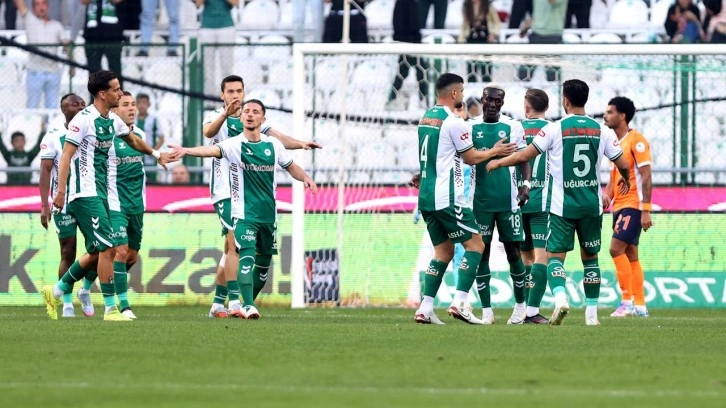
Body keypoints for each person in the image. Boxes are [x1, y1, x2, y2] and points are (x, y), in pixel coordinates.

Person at [487, 79, 631, 326]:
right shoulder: (602, 131)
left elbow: (524, 156)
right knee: (591, 258)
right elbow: (623, 164)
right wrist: (626, 179)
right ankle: (592, 316)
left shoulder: (555, 129)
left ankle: (561, 299)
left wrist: (498, 161)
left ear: (565, 100)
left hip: (561, 206)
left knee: (554, 257)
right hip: (591, 205)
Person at [41, 70, 175, 321]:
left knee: (101, 249)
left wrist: (157, 155)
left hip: (101, 192)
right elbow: (66, 156)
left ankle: (56, 290)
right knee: (109, 248)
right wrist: (60, 192)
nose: (120, 93)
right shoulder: (84, 120)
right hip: (84, 193)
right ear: (102, 94)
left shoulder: (112, 120)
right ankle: (111, 309)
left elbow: (133, 140)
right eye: (116, 90)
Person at [169, 99, 319, 319]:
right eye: (246, 111)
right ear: (241, 118)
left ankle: (245, 303)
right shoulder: (234, 144)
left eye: (255, 112)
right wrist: (186, 151)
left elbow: (291, 166)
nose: (250, 114)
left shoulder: (273, 145)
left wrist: (305, 178)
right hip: (243, 214)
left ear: (263, 119)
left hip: (268, 215)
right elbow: (210, 150)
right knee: (245, 255)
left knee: (264, 265)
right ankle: (247, 305)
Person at [412, 73, 516, 325]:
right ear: (455, 93)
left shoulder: (426, 118)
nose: (462, 94)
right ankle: (460, 303)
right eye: (462, 90)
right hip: (448, 197)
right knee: (476, 245)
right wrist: (495, 151)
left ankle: (425, 308)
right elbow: (470, 158)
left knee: (443, 251)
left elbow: (435, 154)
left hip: (426, 197)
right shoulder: (453, 122)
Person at [469, 84, 530, 325]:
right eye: (490, 100)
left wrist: (525, 185)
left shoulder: (513, 127)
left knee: (514, 252)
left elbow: (524, 158)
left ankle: (521, 306)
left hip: (509, 202)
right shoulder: (470, 127)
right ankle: (486, 310)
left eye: (498, 101)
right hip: (479, 203)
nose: (493, 104)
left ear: (503, 103)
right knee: (481, 253)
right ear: (482, 100)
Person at [38, 93, 91, 318]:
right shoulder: (53, 136)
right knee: (68, 251)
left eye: (82, 104)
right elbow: (45, 171)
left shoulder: (92, 131)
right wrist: (44, 205)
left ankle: (85, 290)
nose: (79, 107)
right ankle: (67, 302)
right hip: (64, 202)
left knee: (98, 249)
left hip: (89, 198)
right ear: (63, 109)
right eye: (74, 104)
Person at [602, 96, 653, 318]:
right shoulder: (615, 143)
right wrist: (607, 197)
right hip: (620, 206)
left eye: (610, 112)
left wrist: (646, 209)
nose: (605, 115)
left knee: (615, 249)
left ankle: (626, 301)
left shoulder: (636, 140)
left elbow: (646, 175)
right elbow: (615, 177)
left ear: (622, 116)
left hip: (633, 205)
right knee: (631, 253)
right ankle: (640, 305)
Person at [107, 91, 149, 319]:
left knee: (131, 257)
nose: (132, 108)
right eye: (125, 105)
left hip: (137, 205)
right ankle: (123, 305)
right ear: (114, 110)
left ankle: (96, 279)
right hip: (115, 204)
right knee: (120, 252)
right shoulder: (108, 138)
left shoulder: (140, 134)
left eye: (133, 104)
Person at [518, 88, 551, 324]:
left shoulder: (516, 128)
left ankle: (522, 310)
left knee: (525, 256)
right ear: (546, 107)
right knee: (542, 256)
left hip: (518, 201)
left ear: (527, 107)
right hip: (542, 202)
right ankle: (532, 310)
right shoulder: (554, 129)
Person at [14, 0, 72, 109]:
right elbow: (19, 2)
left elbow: (67, 46)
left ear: (48, 6)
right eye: (37, 4)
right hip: (34, 72)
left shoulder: (57, 25)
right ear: (33, 8)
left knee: (52, 109)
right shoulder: (29, 20)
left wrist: (72, 66)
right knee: (32, 107)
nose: (41, 7)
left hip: (53, 73)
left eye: (44, 3)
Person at [387, 0, 428, 111]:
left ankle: (392, 98)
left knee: (406, 72)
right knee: (419, 72)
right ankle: (424, 99)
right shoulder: (407, 3)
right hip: (409, 43)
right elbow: (410, 24)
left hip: (409, 43)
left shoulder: (406, 3)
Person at [195, 0, 237, 96]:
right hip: (207, 26)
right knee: (207, 67)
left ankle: (228, 96)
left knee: (227, 66)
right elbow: (198, 3)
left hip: (226, 26)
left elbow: (235, 2)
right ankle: (208, 97)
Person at [518, 0, 566, 82]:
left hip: (553, 36)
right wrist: (527, 25)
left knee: (553, 77)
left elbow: (552, 1)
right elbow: (537, 13)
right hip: (536, 34)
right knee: (523, 74)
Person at [460, 0, 500, 83]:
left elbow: (496, 22)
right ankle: (472, 89)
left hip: (486, 40)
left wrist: (493, 34)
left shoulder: (488, 6)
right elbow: (464, 24)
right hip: (471, 40)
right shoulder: (466, 6)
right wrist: (461, 38)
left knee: (486, 69)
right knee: (471, 69)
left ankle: (487, 89)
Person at [82, 0, 124, 77]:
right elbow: (83, 1)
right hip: (92, 35)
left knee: (115, 71)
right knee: (94, 72)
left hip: (113, 35)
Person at [134, 93, 166, 168]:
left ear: (149, 104)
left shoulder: (154, 120)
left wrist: (153, 152)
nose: (141, 105)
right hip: (134, 157)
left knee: (151, 175)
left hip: (149, 160)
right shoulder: (132, 119)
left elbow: (161, 138)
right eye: (139, 103)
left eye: (144, 102)